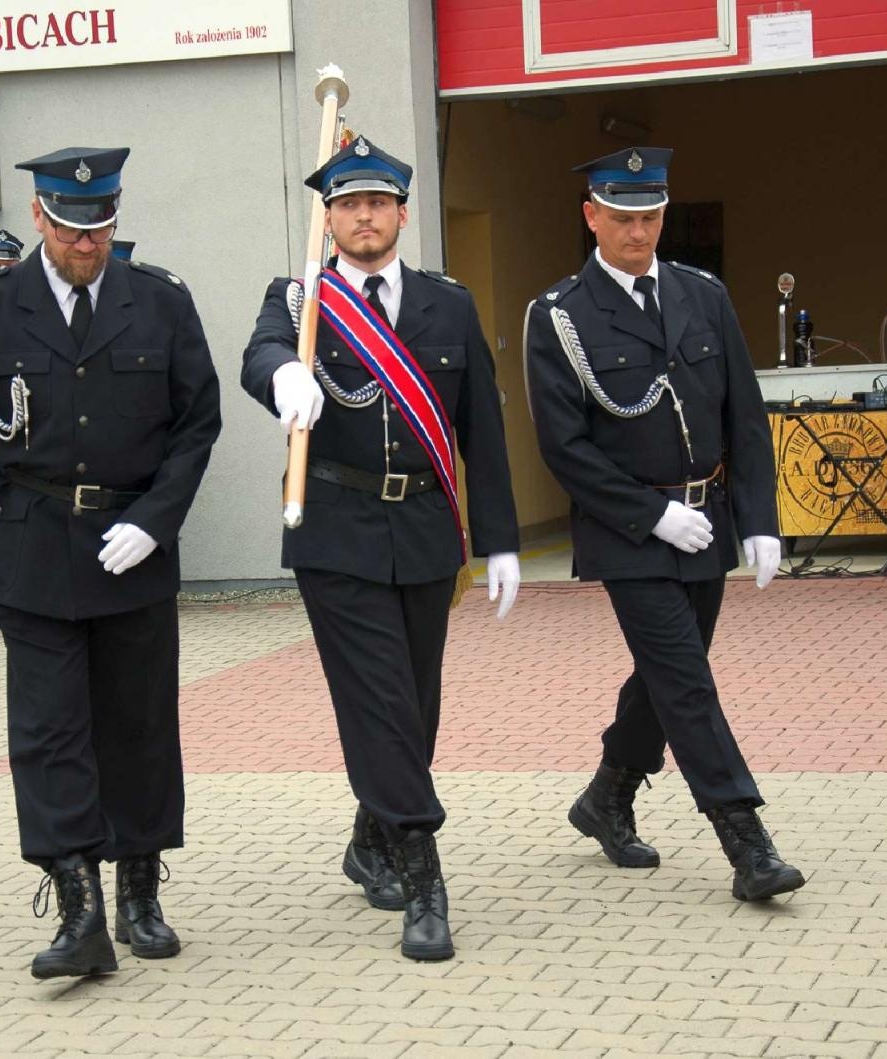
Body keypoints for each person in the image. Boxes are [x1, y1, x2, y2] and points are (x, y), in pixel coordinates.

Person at [0, 147, 222, 980]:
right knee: (48, 732)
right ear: (38, 219)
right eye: (67, 227)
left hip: (130, 546)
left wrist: (156, 520)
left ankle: (138, 888)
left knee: (136, 727)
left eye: (98, 227)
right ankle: (78, 907)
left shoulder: (160, 302)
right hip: (29, 543)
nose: (84, 242)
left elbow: (196, 425)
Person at [240, 136, 521, 962]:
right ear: (327, 219)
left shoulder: (450, 304)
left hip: (427, 531)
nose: (363, 216)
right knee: (381, 703)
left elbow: (484, 430)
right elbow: (260, 353)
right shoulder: (302, 298)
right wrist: (280, 379)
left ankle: (369, 837)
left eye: (377, 203)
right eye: (347, 204)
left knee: (415, 703)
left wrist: (501, 539)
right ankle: (422, 869)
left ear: (402, 212)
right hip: (335, 531)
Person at [524, 146, 805, 903]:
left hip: (708, 519)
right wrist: (652, 515)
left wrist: (761, 519)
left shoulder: (702, 294)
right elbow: (564, 446)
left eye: (649, 217)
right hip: (629, 530)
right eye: (622, 218)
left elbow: (742, 415)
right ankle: (746, 841)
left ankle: (607, 794)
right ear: (591, 217)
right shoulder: (559, 316)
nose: (638, 232)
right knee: (688, 684)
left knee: (665, 677)